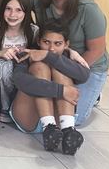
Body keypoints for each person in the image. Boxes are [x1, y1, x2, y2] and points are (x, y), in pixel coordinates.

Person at [0, 0, 108, 126]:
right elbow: (0, 0)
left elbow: (96, 50)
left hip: (87, 64)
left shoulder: (88, 9)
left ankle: (94, 94)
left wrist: (71, 74)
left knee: (76, 118)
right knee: (47, 106)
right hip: (51, 56)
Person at [10, 20, 90, 155]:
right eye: (46, 42)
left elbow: (84, 75)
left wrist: (49, 57)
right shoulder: (27, 54)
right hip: (28, 117)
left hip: (59, 120)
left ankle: (68, 130)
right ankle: (48, 127)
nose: (51, 48)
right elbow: (20, 81)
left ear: (66, 45)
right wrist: (61, 90)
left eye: (57, 44)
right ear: (38, 41)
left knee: (60, 69)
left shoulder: (67, 56)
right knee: (39, 66)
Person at [0, 0, 39, 121]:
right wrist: (0, 54)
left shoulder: (33, 30)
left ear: (26, 13)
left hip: (21, 73)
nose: (12, 15)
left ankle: (14, 104)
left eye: (19, 10)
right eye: (8, 9)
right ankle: (5, 106)